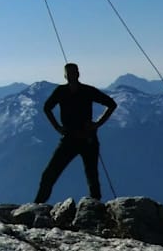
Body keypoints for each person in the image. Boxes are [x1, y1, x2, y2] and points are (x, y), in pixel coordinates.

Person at [34, 62, 117, 203]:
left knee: (89, 176)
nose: (72, 75)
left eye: (73, 72)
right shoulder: (73, 91)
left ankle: (94, 206)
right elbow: (47, 108)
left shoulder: (70, 91)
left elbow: (111, 104)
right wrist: (97, 124)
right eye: (70, 72)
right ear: (67, 75)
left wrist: (97, 124)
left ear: (76, 74)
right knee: (53, 174)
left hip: (80, 138)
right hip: (79, 138)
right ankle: (38, 205)